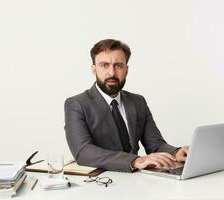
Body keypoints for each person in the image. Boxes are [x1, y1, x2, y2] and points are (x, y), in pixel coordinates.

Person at [64, 39, 189, 172]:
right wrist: (135, 161)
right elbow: (83, 152)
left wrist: (176, 152)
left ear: (126, 70)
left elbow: (155, 144)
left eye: (118, 65)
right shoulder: (76, 104)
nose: (112, 73)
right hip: (101, 182)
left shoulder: (138, 101)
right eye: (104, 65)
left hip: (136, 182)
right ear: (94, 70)